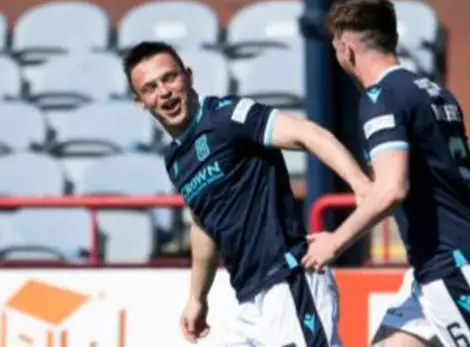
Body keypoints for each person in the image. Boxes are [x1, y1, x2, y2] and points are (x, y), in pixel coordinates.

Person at [301, 0, 470, 347]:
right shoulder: (436, 93)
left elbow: (392, 189)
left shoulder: (380, 98)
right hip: (442, 261)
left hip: (453, 265)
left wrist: (335, 242)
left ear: (346, 48)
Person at [123, 41, 370, 346]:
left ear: (188, 76)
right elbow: (204, 221)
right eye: (150, 88)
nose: (164, 92)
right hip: (248, 300)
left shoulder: (228, 117)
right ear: (140, 102)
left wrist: (361, 186)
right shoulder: (174, 159)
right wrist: (197, 298)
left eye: (170, 78)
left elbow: (308, 134)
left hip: (289, 281)